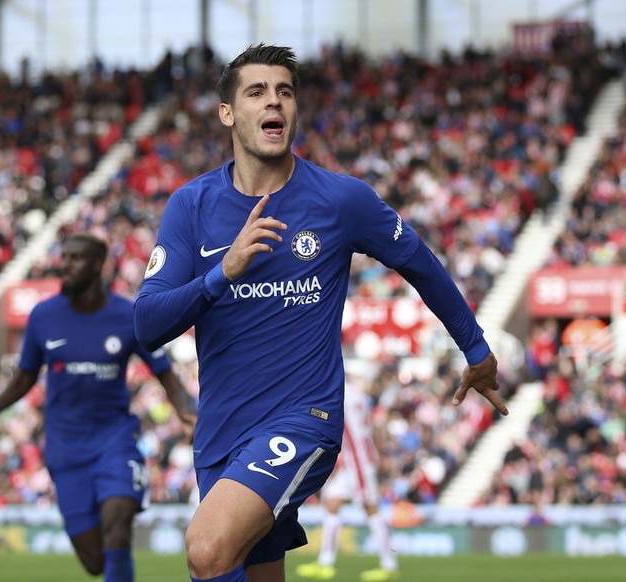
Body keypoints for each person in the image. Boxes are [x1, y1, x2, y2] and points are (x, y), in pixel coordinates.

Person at [133, 43, 508, 582]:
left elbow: (422, 264)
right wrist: (221, 274)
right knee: (245, 569)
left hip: (305, 420)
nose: (274, 103)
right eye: (257, 92)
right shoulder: (190, 207)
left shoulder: (339, 200)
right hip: (221, 432)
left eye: (285, 92)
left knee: (207, 548)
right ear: (227, 113)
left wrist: (475, 349)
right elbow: (147, 324)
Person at [0, 233, 196, 582]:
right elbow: (24, 378)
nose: (63, 265)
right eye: (63, 257)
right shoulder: (43, 316)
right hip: (65, 449)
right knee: (95, 561)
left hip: (115, 440)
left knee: (118, 528)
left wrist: (184, 410)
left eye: (74, 258)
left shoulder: (128, 314)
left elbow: (165, 373)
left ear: (98, 264)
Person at [295, 380, 399, 581]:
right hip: (354, 458)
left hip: (358, 460)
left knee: (371, 508)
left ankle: (389, 564)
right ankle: (325, 562)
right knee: (332, 503)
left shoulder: (340, 394)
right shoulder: (356, 394)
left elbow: (324, 416)